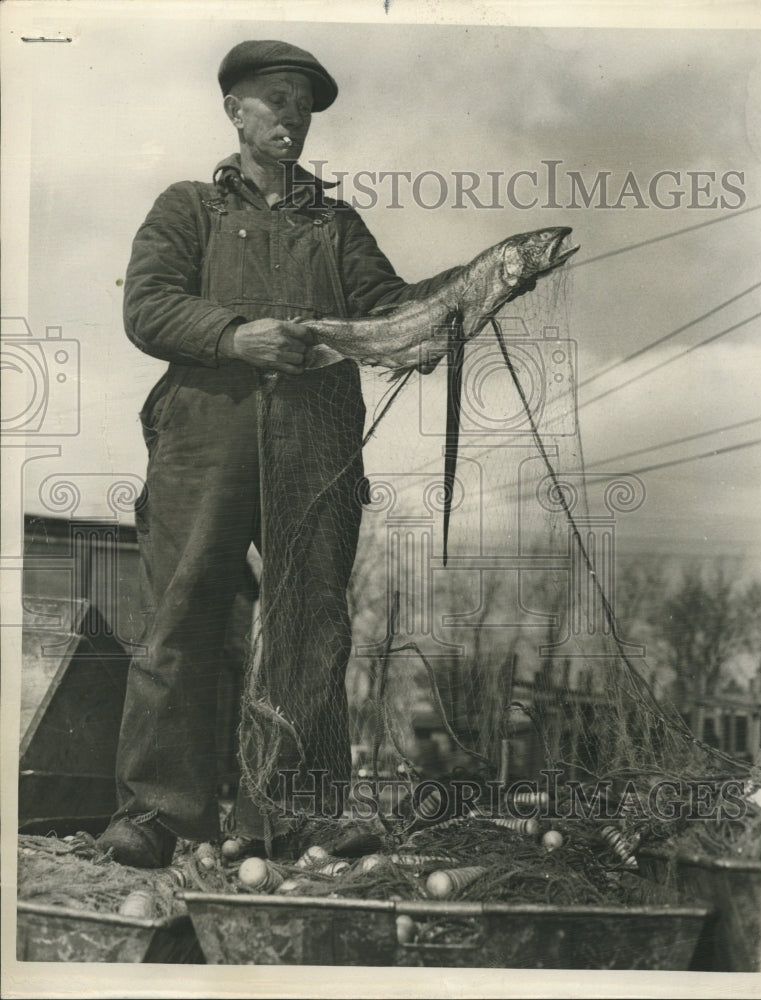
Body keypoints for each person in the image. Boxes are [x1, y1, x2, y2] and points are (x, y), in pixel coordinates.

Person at [98, 40, 458, 867]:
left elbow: (388, 307)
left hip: (318, 445)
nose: (290, 115)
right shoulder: (187, 208)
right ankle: (156, 813)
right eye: (274, 99)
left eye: (302, 103)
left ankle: (295, 816)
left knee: (307, 627)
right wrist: (235, 334)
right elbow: (148, 308)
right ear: (235, 109)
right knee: (179, 618)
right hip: (203, 440)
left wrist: (452, 308)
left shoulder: (335, 223)